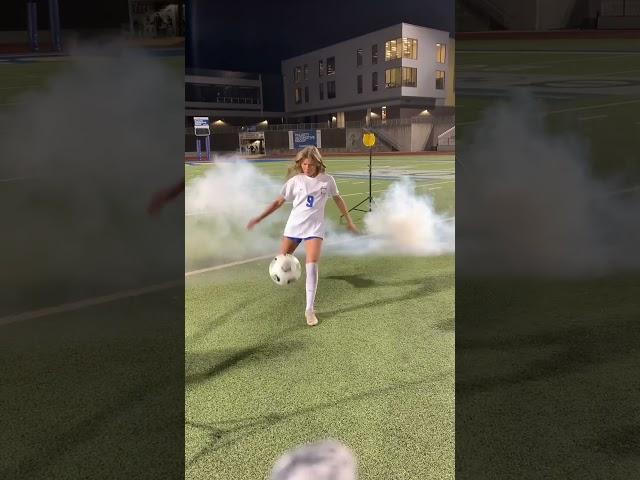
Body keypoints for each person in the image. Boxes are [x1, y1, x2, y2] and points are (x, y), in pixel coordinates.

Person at [247, 146, 358, 326]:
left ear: (318, 164)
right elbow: (278, 202)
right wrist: (259, 218)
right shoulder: (295, 181)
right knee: (280, 262)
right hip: (294, 228)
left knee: (312, 266)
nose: (307, 168)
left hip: (314, 229)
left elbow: (338, 199)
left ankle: (309, 309)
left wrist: (349, 221)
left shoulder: (327, 181)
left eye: (311, 164)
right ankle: (289, 277)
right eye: (304, 164)